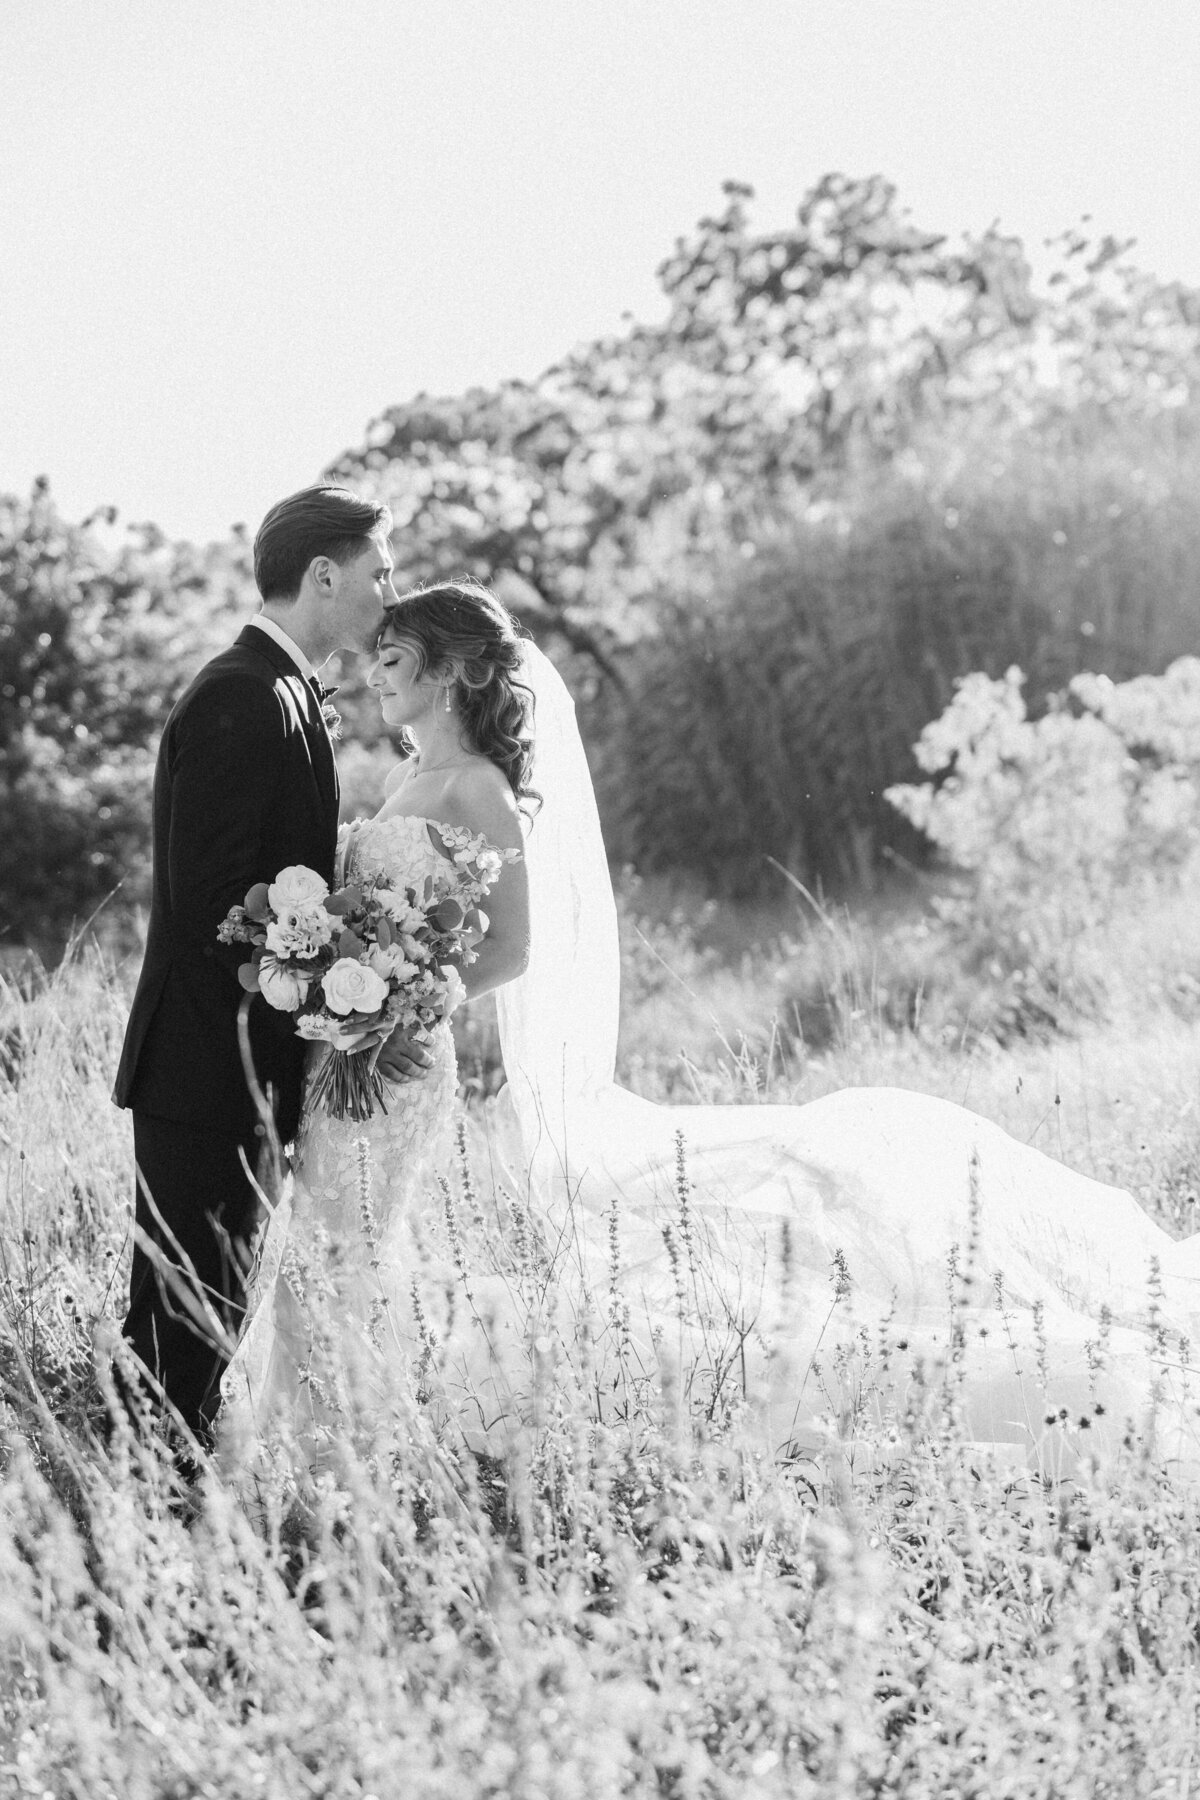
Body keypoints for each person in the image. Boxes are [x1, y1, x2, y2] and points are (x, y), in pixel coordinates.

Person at [223, 578, 1200, 1481]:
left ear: (458, 671)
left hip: (397, 1055)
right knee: (331, 1238)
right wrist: (328, 975)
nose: (375, 678)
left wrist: (399, 995)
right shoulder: (400, 782)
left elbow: (512, 945)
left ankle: (329, 1442)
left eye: (394, 661)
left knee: (347, 1240)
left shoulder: (479, 787)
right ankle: (326, 1434)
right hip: (348, 1053)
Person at [112, 483, 429, 1459]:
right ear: (324, 576)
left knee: (214, 1309)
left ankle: (169, 1526)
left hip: (240, 1068)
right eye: (381, 573)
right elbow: (222, 905)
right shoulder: (240, 697)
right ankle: (144, 1533)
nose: (391, 592)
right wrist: (334, 980)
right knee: (182, 1324)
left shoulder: (284, 692)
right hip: (206, 1067)